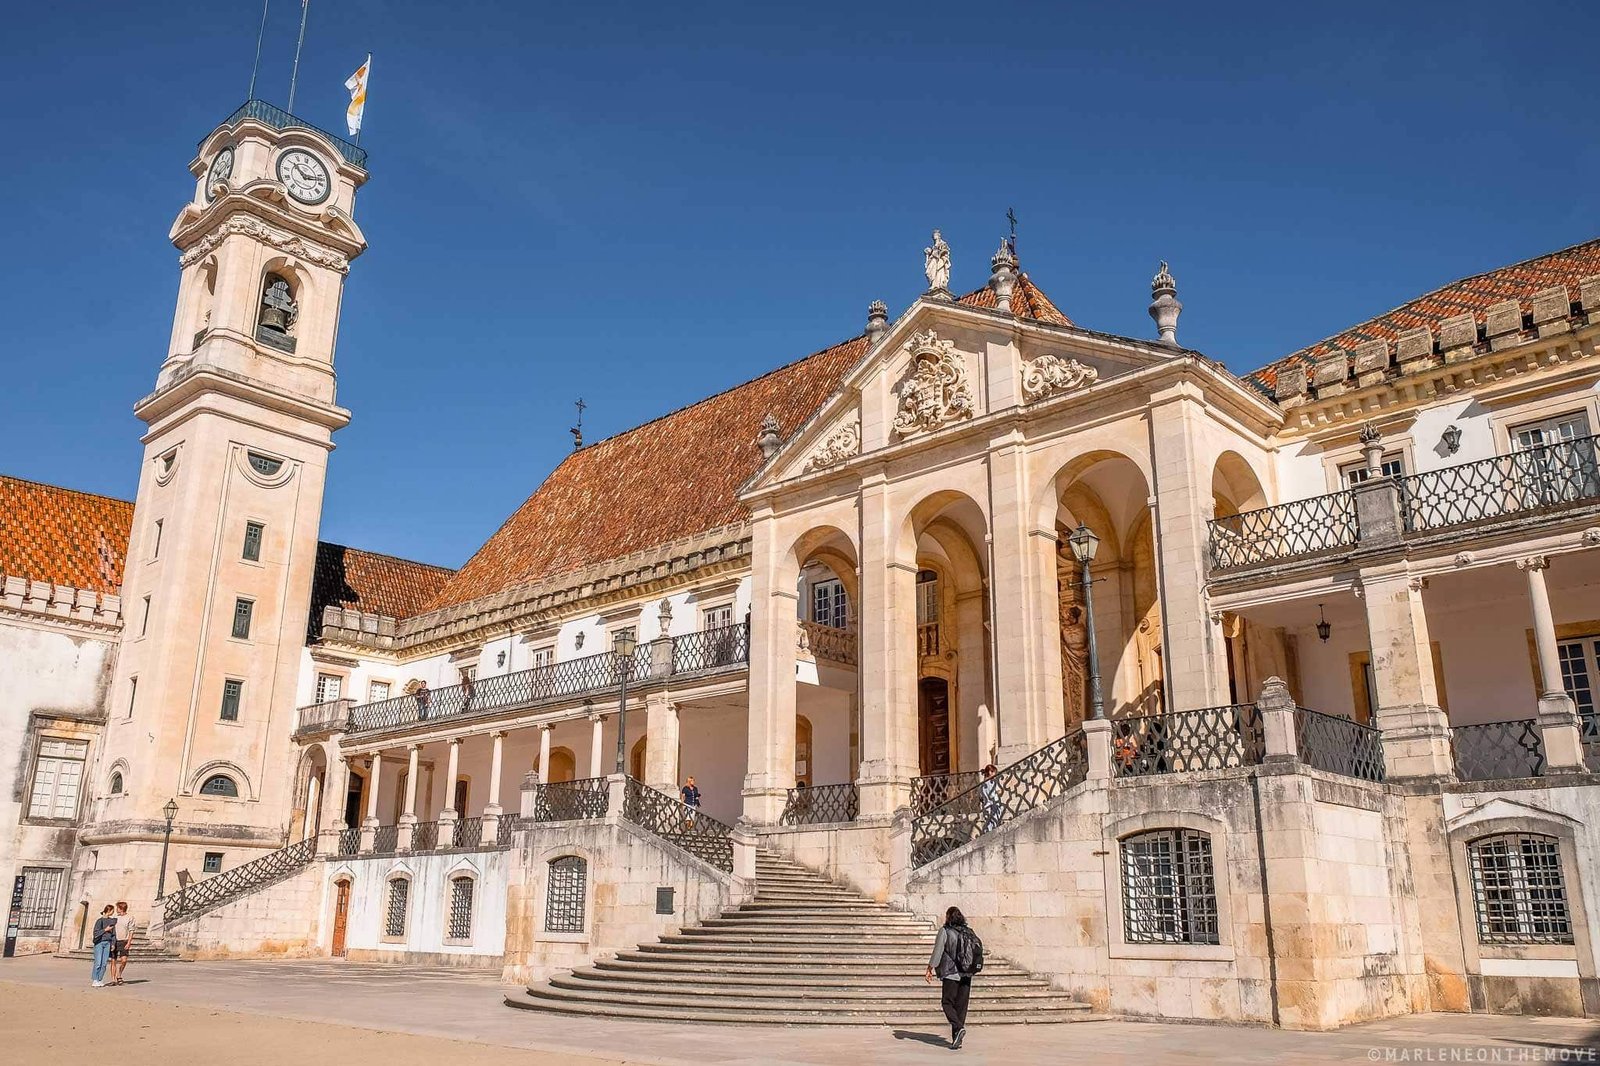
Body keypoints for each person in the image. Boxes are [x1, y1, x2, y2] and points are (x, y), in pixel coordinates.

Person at [925, 905, 982, 1049]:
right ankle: (957, 1037)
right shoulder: (969, 932)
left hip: (951, 973)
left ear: (948, 917)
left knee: (947, 1003)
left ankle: (958, 1028)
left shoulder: (945, 931)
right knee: (961, 1007)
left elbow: (938, 951)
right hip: (967, 974)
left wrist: (930, 968)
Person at [90, 905, 116, 987]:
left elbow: (113, 934)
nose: (113, 912)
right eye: (112, 910)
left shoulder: (112, 921)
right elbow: (96, 933)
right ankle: (95, 979)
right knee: (98, 962)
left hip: (107, 943)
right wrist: (105, 930)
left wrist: (113, 943)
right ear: (109, 910)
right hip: (99, 943)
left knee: (104, 963)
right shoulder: (99, 921)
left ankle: (100, 979)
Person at [110, 901, 133, 985]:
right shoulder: (115, 917)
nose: (116, 909)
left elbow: (131, 931)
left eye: (117, 908)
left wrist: (129, 942)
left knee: (124, 960)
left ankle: (119, 974)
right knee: (113, 960)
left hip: (124, 941)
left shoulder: (129, 918)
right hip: (114, 940)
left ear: (121, 908)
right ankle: (113, 979)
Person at [979, 764, 1000, 833]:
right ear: (990, 772)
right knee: (994, 823)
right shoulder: (991, 782)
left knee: (988, 823)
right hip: (993, 804)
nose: (995, 774)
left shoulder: (982, 783)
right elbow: (992, 795)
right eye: (994, 772)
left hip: (986, 805)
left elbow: (981, 796)